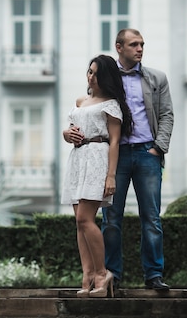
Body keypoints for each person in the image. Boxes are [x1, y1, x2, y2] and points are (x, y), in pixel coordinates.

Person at [101, 28, 174, 292]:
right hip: (115, 156)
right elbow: (92, 108)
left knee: (152, 218)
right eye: (134, 44)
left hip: (147, 154)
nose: (140, 48)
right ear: (119, 47)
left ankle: (154, 275)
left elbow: (167, 115)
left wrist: (158, 148)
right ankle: (112, 275)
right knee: (111, 219)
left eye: (142, 44)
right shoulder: (106, 78)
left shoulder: (157, 78)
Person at [61, 54, 133, 298]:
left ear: (106, 77)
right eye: (89, 71)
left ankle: (102, 274)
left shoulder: (111, 104)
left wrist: (111, 176)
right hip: (78, 159)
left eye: (95, 73)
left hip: (97, 159)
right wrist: (66, 134)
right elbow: (70, 128)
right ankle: (88, 275)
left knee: (85, 219)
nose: (90, 76)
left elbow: (114, 142)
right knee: (79, 223)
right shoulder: (81, 101)